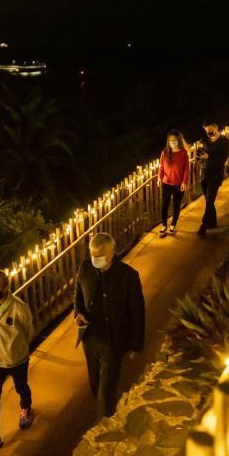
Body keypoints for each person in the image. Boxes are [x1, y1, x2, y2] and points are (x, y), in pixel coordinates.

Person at [74, 233, 145, 420]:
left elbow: (137, 312)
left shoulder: (128, 277)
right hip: (90, 339)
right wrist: (79, 313)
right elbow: (78, 295)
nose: (95, 260)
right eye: (92, 255)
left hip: (113, 341)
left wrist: (136, 344)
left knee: (106, 391)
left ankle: (104, 424)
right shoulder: (86, 268)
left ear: (112, 253)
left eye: (99, 256)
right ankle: (106, 412)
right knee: (96, 385)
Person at [0, 269, 36, 456]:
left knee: (21, 386)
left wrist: (18, 348)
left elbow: (28, 330)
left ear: (6, 287)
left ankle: (26, 406)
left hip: (17, 358)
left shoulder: (19, 307)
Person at [196, 123, 229, 237]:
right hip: (205, 173)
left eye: (210, 130)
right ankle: (213, 222)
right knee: (208, 201)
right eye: (206, 131)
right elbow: (202, 150)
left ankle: (204, 226)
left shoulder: (224, 141)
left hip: (216, 175)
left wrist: (209, 157)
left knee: (210, 200)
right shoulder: (205, 139)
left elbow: (223, 159)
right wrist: (199, 153)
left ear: (216, 127)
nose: (208, 133)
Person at [157, 129, 190, 236]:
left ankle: (173, 225)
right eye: (170, 140)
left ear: (178, 140)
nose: (172, 142)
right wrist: (159, 178)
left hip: (178, 184)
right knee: (164, 205)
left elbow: (186, 169)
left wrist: (184, 182)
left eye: (174, 140)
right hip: (167, 183)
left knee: (176, 205)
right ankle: (164, 225)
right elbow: (161, 167)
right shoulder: (165, 153)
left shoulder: (183, 153)